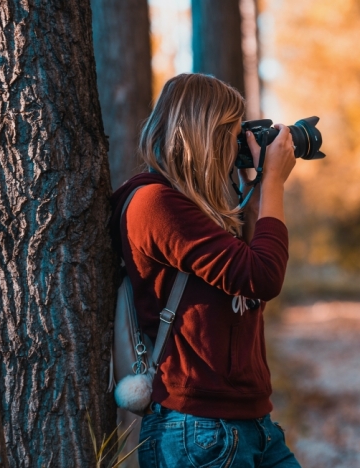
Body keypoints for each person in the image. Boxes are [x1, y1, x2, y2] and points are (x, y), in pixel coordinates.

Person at [109, 73, 300, 467]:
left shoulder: (197, 209)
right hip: (197, 430)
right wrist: (273, 184)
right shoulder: (154, 204)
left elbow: (245, 268)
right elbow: (262, 276)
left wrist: (253, 182)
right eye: (232, 135)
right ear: (206, 135)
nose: (237, 149)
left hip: (250, 424)